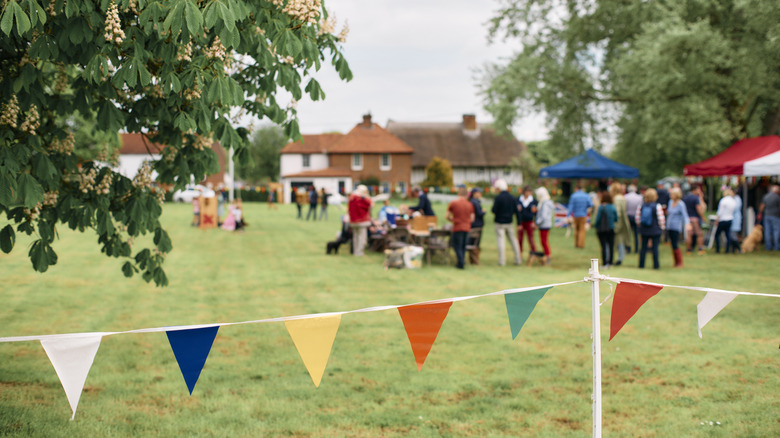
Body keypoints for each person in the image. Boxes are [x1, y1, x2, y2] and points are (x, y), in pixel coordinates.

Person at [491, 179, 522, 266]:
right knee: (513, 241)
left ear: (499, 188)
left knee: (501, 241)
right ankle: (518, 259)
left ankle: (502, 261)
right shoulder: (512, 197)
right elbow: (517, 212)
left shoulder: (498, 198)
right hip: (509, 222)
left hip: (499, 222)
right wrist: (519, 223)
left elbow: (494, 210)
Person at [635, 188, 665, 269]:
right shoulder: (657, 206)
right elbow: (661, 219)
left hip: (644, 230)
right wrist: (662, 228)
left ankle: (641, 265)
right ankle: (656, 265)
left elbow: (637, 219)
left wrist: (640, 226)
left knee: (643, 248)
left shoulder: (641, 206)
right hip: (655, 229)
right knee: (655, 248)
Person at [446, 187, 475, 269]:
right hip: (467, 227)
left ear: (458, 194)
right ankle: (460, 262)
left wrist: (453, 220)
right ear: (466, 195)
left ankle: (461, 263)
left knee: (456, 246)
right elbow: (472, 218)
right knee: (463, 246)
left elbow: (447, 216)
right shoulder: (470, 204)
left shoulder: (453, 203)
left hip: (457, 227)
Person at [666, 187, 690, 267]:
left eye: (672, 194)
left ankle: (679, 262)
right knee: (672, 244)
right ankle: (675, 262)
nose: (670, 195)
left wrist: (687, 224)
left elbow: (685, 215)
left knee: (675, 244)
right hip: (669, 226)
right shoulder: (670, 202)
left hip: (676, 226)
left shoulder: (681, 204)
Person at [609, 182, 631, 266]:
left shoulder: (616, 199)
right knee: (621, 241)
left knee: (617, 241)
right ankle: (621, 257)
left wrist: (615, 224)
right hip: (623, 221)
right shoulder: (622, 198)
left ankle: (619, 258)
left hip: (617, 222)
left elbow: (617, 212)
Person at [348, 185, 373, 256]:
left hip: (353, 221)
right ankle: (359, 252)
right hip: (361, 221)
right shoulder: (362, 198)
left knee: (355, 237)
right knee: (362, 238)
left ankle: (356, 251)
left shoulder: (352, 198)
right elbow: (370, 205)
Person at [594, 191, 618, 268]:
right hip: (611, 228)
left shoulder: (601, 207)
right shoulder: (612, 207)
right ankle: (610, 262)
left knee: (603, 246)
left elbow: (598, 219)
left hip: (602, 229)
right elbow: (616, 218)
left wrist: (596, 226)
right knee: (611, 246)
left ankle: (604, 262)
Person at [567, 183, 593, 249]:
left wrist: (568, 215)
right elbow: (590, 204)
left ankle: (576, 244)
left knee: (576, 230)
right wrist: (585, 207)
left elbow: (571, 206)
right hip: (583, 215)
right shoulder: (586, 195)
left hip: (575, 215)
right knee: (582, 230)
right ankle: (581, 245)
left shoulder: (573, 196)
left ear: (576, 189)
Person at [682, 185, 706, 255]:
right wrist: (702, 217)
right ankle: (700, 249)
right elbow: (698, 209)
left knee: (689, 234)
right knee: (699, 234)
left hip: (687, 218)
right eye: (698, 189)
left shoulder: (685, 197)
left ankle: (688, 250)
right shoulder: (696, 198)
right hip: (695, 218)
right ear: (694, 190)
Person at [534, 186, 554, 265]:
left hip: (544, 225)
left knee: (544, 241)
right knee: (543, 241)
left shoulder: (545, 203)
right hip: (545, 224)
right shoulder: (545, 202)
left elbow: (543, 216)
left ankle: (547, 256)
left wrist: (537, 223)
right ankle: (546, 255)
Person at [516, 186, 538, 258]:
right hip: (521, 222)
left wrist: (535, 222)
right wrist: (518, 223)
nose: (528, 193)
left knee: (531, 238)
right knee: (520, 239)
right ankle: (519, 254)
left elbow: (536, 213)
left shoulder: (533, 201)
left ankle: (533, 254)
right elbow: (517, 212)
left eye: (530, 191)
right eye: (527, 191)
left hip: (530, 222)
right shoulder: (519, 200)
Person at [713, 188, 737, 253]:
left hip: (723, 219)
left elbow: (720, 211)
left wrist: (717, 219)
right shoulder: (733, 201)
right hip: (730, 219)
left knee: (717, 234)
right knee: (728, 235)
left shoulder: (723, 200)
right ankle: (727, 250)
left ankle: (718, 249)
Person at [758, 184, 780, 251]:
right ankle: (776, 247)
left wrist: (760, 213)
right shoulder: (777, 197)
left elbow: (762, 206)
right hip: (776, 215)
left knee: (767, 231)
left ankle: (768, 246)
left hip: (767, 215)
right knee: (776, 231)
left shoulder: (766, 196)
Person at [468, 188, 486, 264]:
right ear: (474, 193)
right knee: (475, 243)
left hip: (473, 224)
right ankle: (474, 260)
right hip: (477, 224)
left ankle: (472, 259)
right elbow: (479, 213)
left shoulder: (472, 201)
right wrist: (483, 212)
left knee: (472, 242)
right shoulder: (475, 202)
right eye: (479, 192)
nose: (480, 194)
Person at [624, 185, 643, 253]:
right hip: (636, 216)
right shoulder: (639, 197)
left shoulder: (625, 197)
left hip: (628, 216)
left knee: (628, 234)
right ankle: (636, 249)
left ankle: (628, 248)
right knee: (636, 234)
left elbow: (625, 208)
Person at [730, 189, 742, 253]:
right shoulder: (731, 199)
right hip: (731, 218)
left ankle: (738, 249)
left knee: (734, 235)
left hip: (735, 218)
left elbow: (736, 208)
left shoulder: (737, 199)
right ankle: (733, 249)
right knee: (732, 235)